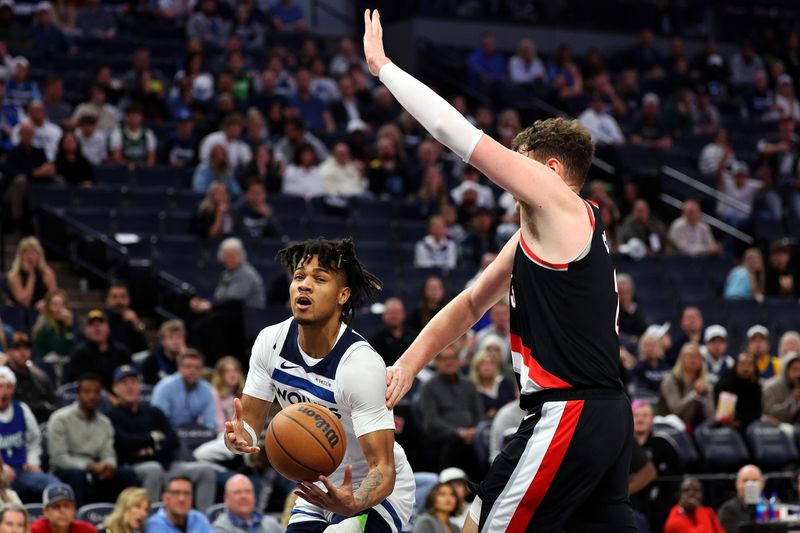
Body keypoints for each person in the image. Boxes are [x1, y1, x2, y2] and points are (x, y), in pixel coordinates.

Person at [366, 10, 634, 530]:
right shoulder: (546, 235)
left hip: (566, 412)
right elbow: (469, 305)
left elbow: (452, 130)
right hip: (606, 417)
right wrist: (407, 364)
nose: (510, 177)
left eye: (521, 161)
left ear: (550, 170)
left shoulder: (559, 203)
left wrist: (384, 69)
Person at [224, 237, 416, 532]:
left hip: (373, 492)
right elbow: (248, 426)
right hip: (317, 486)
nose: (304, 284)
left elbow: (383, 469)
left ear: (343, 295)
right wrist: (238, 439)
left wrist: (354, 502)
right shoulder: (269, 342)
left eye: (319, 278)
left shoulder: (360, 366)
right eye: (299, 276)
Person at [109, 366, 216, 510]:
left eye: (133, 382)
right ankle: (150, 523)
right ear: (115, 388)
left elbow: (173, 441)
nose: (130, 387)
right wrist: (153, 438)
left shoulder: (154, 412)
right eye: (124, 383)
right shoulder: (111, 415)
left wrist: (144, 445)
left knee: (205, 471)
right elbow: (123, 444)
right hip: (133, 468)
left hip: (166, 466)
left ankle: (203, 524)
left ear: (140, 385)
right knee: (154, 469)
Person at [48, 374, 137, 506]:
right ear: (78, 394)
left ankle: (118, 522)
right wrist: (89, 466)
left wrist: (108, 466)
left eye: (96, 392)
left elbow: (109, 454)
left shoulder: (105, 422)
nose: (92, 396)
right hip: (67, 469)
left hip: (96, 470)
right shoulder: (60, 418)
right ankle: (78, 520)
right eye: (87, 392)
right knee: (77, 475)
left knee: (127, 474)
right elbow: (59, 458)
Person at [420, 346, 485, 478]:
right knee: (453, 443)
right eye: (444, 358)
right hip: (445, 437)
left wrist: (474, 431)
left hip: (472, 435)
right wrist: (459, 432)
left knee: (484, 441)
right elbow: (431, 420)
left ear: (459, 361)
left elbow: (479, 414)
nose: (449, 362)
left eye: (453, 358)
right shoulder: (429, 387)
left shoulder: (469, 384)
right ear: (437, 362)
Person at [0, 367, 59, 499]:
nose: (4, 392)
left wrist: (33, 462)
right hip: (1, 475)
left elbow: (34, 441)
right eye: (0, 387)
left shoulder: (22, 409)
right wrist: (1, 468)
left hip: (21, 471)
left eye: (8, 387)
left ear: (13, 389)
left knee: (54, 485)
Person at [64, 310, 132, 391]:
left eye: (100, 324)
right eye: (92, 324)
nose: (97, 328)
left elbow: (130, 378)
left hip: (120, 396)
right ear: (85, 330)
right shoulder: (78, 354)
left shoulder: (122, 352)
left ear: (108, 327)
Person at [151, 350, 216, 431]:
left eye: (197, 367)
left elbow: (210, 424)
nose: (193, 371)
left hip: (194, 435)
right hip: (168, 434)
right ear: (179, 368)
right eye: (188, 366)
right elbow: (158, 421)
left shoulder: (207, 389)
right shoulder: (164, 387)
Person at [659, 342, 714, 428]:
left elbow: (710, 416)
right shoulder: (671, 380)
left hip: (695, 427)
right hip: (670, 425)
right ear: (681, 359)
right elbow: (675, 410)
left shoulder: (704, 382)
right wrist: (694, 394)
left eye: (696, 357)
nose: (693, 360)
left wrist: (705, 393)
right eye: (689, 356)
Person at [6, 332, 56, 422]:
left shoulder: (39, 375)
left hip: (42, 422)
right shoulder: (3, 378)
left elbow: (53, 401)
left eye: (26, 348)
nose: (23, 352)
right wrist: (40, 406)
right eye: (17, 348)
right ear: (9, 352)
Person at [212, 474, 282, 533]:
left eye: (248, 491)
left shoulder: (271, 524)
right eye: (237, 492)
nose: (244, 496)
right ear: (226, 498)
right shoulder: (219, 529)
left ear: (254, 497)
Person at [6, 237, 57, 313]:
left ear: (39, 255)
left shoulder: (47, 273)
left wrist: (45, 303)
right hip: (19, 314)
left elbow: (55, 296)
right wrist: (31, 275)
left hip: (42, 313)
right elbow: (25, 302)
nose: (30, 257)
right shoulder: (14, 275)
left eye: (33, 253)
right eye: (26, 253)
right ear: (20, 256)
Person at [144, 476, 213, 533]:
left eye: (186, 493)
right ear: (165, 499)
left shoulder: (199, 518)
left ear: (191, 499)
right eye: (176, 493)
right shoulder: (154, 524)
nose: (182, 499)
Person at [714, 353, 762, 431]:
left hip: (750, 425)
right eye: (742, 364)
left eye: (750, 364)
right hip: (725, 425)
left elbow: (757, 413)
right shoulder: (725, 384)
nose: (746, 368)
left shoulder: (755, 386)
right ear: (736, 366)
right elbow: (722, 414)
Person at [368, 298, 418, 367]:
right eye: (390, 313)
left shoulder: (415, 337)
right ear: (384, 315)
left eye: (397, 312)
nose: (394, 316)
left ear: (404, 314)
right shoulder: (375, 340)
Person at [468, 345, 515, 419]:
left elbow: (513, 405)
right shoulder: (472, 388)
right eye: (483, 364)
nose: (487, 368)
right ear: (476, 367)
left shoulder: (506, 383)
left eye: (491, 364)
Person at [29, 483, 96, 533]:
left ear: (74, 510)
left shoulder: (87, 530)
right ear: (45, 511)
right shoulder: (34, 531)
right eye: (56, 506)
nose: (62, 510)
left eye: (67, 506)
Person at [31, 289, 76, 361]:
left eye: (62, 304)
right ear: (48, 307)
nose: (59, 309)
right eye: (55, 304)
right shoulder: (45, 326)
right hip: (44, 365)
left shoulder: (62, 323)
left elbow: (74, 349)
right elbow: (61, 351)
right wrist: (68, 327)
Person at [717, 465, 764, 533]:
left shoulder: (769, 509)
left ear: (762, 484)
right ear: (737, 483)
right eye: (745, 481)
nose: (750, 485)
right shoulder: (727, 510)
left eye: (755, 480)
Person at [104, 284, 148, 354]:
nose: (119, 301)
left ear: (129, 299)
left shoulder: (133, 319)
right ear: (107, 300)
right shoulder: (102, 320)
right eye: (114, 297)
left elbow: (144, 349)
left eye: (123, 297)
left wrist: (136, 323)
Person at [141, 320, 185, 386]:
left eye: (179, 337)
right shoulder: (151, 361)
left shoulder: (190, 360)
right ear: (163, 341)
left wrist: (183, 359)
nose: (176, 341)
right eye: (171, 337)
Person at [763, 352, 800, 424]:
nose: (798, 374)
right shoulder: (771, 387)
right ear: (785, 370)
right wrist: (792, 400)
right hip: (774, 426)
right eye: (794, 369)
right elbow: (770, 413)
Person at [211, 356, 243, 432]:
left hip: (240, 433)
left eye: (236, 370)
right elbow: (219, 425)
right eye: (227, 371)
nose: (232, 375)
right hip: (220, 434)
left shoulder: (244, 394)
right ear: (220, 375)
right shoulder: (215, 394)